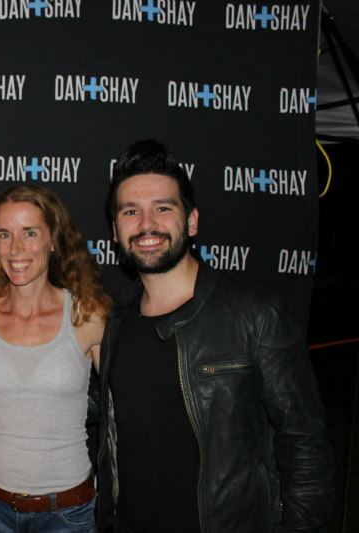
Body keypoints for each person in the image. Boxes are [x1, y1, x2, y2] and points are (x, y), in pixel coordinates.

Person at [95, 139, 335, 533]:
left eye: (163, 208)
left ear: (191, 221)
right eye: (131, 211)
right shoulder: (116, 321)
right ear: (116, 231)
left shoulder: (254, 314)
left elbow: (305, 443)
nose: (146, 224)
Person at [0, 185, 111, 533]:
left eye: (30, 233)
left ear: (53, 239)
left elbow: (122, 420)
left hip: (69, 512)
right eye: (4, 235)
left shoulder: (89, 316)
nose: (15, 248)